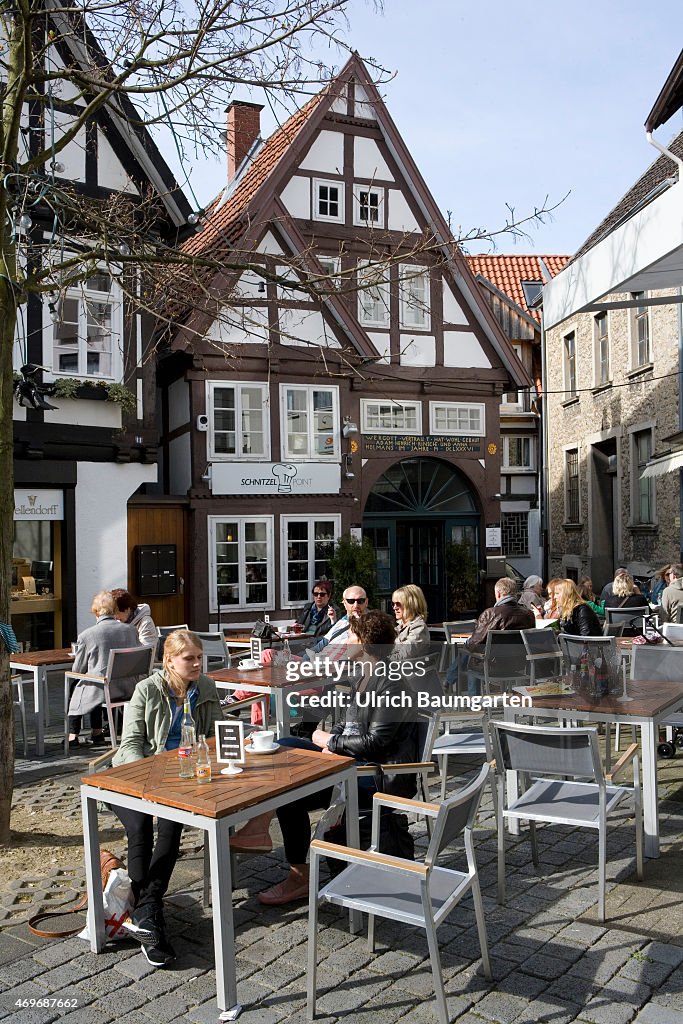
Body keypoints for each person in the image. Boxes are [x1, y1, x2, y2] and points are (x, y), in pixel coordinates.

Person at [233, 610, 419, 905]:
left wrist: (330, 740)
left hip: (374, 775)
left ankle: (296, 873)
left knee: (289, 792)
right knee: (285, 744)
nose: (347, 641)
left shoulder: (391, 683)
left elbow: (376, 741)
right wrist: (333, 743)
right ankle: (262, 828)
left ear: (367, 644)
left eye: (352, 637)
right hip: (348, 761)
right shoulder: (362, 675)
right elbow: (348, 723)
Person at [116, 630, 223, 967]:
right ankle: (150, 909)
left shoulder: (205, 688)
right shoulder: (147, 690)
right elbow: (131, 742)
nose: (196, 663)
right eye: (189, 658)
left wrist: (241, 739)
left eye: (199, 657)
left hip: (184, 776)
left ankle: (147, 911)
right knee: (140, 826)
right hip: (135, 776)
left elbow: (216, 734)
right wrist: (150, 781)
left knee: (174, 823)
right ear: (169, 660)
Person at [67, 591, 139, 748]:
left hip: (104, 689)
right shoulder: (131, 630)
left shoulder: (87, 635)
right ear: (114, 611)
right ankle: (96, 732)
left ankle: (73, 735)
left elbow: (78, 669)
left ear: (96, 612)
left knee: (78, 683)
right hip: (129, 688)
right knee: (93, 679)